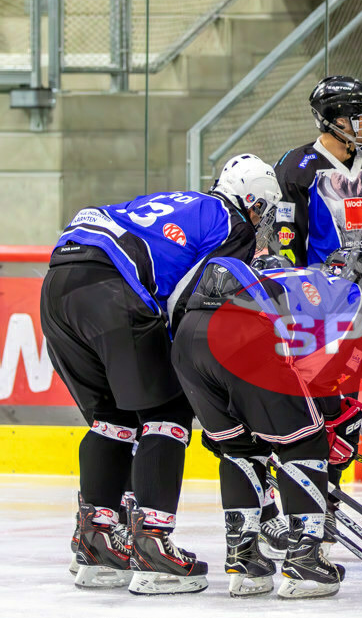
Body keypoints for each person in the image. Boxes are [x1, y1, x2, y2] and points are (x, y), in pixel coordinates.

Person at [40, 153, 282, 595]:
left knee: (111, 419)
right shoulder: (235, 222)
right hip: (113, 290)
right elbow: (194, 301)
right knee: (167, 412)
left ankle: (96, 539)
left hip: (59, 280)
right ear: (255, 202)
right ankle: (151, 545)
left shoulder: (184, 200)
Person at [171, 250, 362, 598]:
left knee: (239, 448)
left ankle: (244, 559)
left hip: (188, 339)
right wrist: (328, 427)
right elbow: (321, 376)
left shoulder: (300, 278)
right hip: (243, 332)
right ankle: (305, 561)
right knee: (305, 441)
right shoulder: (354, 297)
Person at [272, 74, 362, 526]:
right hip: (328, 316)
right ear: (332, 122)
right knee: (336, 417)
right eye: (360, 117)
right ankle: (322, 506)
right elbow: (283, 249)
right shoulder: (295, 170)